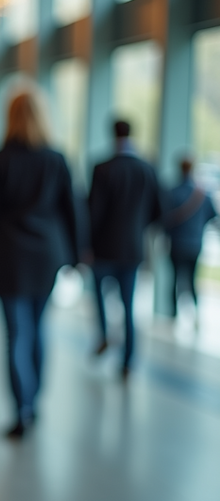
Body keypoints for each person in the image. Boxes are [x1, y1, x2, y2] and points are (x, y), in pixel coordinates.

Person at [0, 92, 78, 440]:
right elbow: (71, 209)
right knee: (39, 327)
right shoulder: (57, 159)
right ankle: (35, 400)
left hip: (9, 255)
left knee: (16, 333)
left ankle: (21, 407)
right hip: (47, 254)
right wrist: (76, 256)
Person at [87, 120, 162, 381]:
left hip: (103, 247)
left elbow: (93, 211)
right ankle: (128, 362)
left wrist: (87, 244)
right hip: (132, 248)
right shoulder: (147, 169)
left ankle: (104, 334)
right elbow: (158, 211)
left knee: (98, 295)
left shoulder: (102, 168)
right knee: (128, 306)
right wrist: (138, 227)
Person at [163, 156, 217, 322]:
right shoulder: (202, 194)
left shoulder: (172, 192)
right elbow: (212, 215)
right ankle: (195, 315)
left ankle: (173, 316)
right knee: (192, 280)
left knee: (174, 280)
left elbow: (165, 219)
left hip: (177, 243)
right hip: (195, 244)